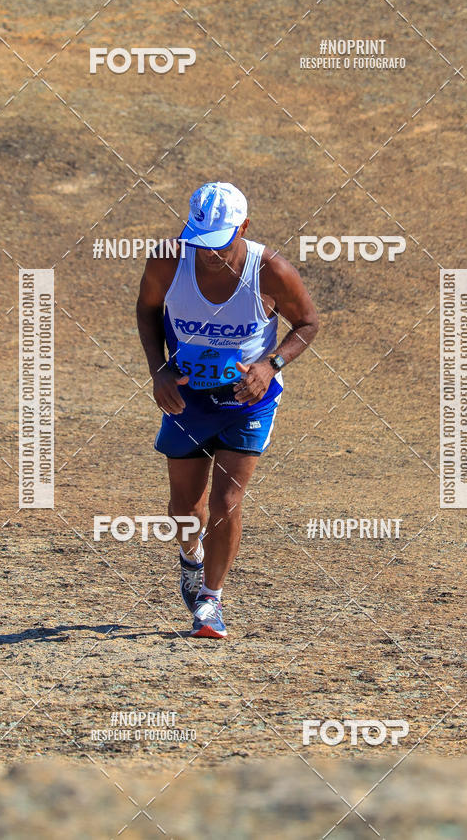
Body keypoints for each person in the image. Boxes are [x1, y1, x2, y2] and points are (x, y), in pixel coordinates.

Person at [136, 182, 319, 638]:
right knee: (185, 508)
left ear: (244, 227)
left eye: (218, 243)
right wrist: (158, 370)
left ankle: (211, 602)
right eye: (200, 240)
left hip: (247, 402)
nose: (208, 253)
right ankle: (190, 557)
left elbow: (308, 323)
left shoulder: (270, 270)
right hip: (187, 396)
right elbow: (146, 310)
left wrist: (271, 364)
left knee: (226, 501)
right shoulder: (168, 260)